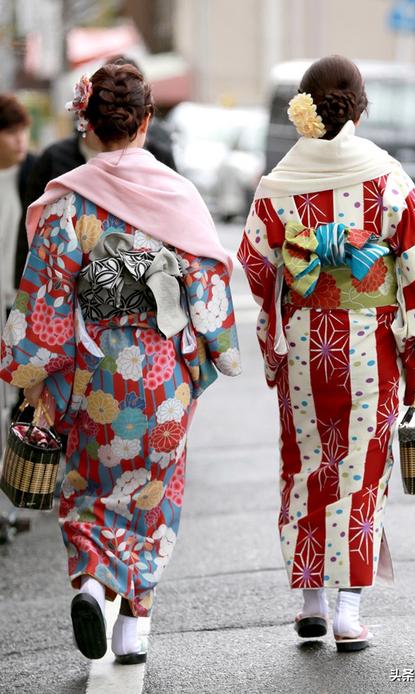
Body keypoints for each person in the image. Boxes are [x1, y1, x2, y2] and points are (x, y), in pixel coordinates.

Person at [0, 63, 241, 663]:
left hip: (91, 375)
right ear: (145, 121)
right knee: (154, 495)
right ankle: (133, 628)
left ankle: (90, 584)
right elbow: (208, 289)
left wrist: (30, 375)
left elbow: (46, 305)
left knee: (87, 490)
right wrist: (217, 353)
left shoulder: (65, 205)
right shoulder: (176, 196)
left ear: (87, 123)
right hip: (161, 378)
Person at [237, 55, 415, 652]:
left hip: (308, 347)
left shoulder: (278, 185)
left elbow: (258, 266)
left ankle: (311, 603)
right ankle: (347, 612)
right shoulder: (389, 180)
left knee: (306, 466)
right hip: (372, 345)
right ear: (361, 107)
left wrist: (287, 307)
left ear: (304, 111)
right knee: (361, 474)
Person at [14, 55, 176, 290]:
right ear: (145, 120)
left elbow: (47, 287)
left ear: (87, 117)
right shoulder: (180, 192)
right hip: (160, 321)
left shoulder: (62, 199)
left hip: (84, 324)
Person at [0, 94, 35, 310]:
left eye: (23, 130)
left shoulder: (36, 172)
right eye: (11, 132)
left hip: (21, 292)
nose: (20, 139)